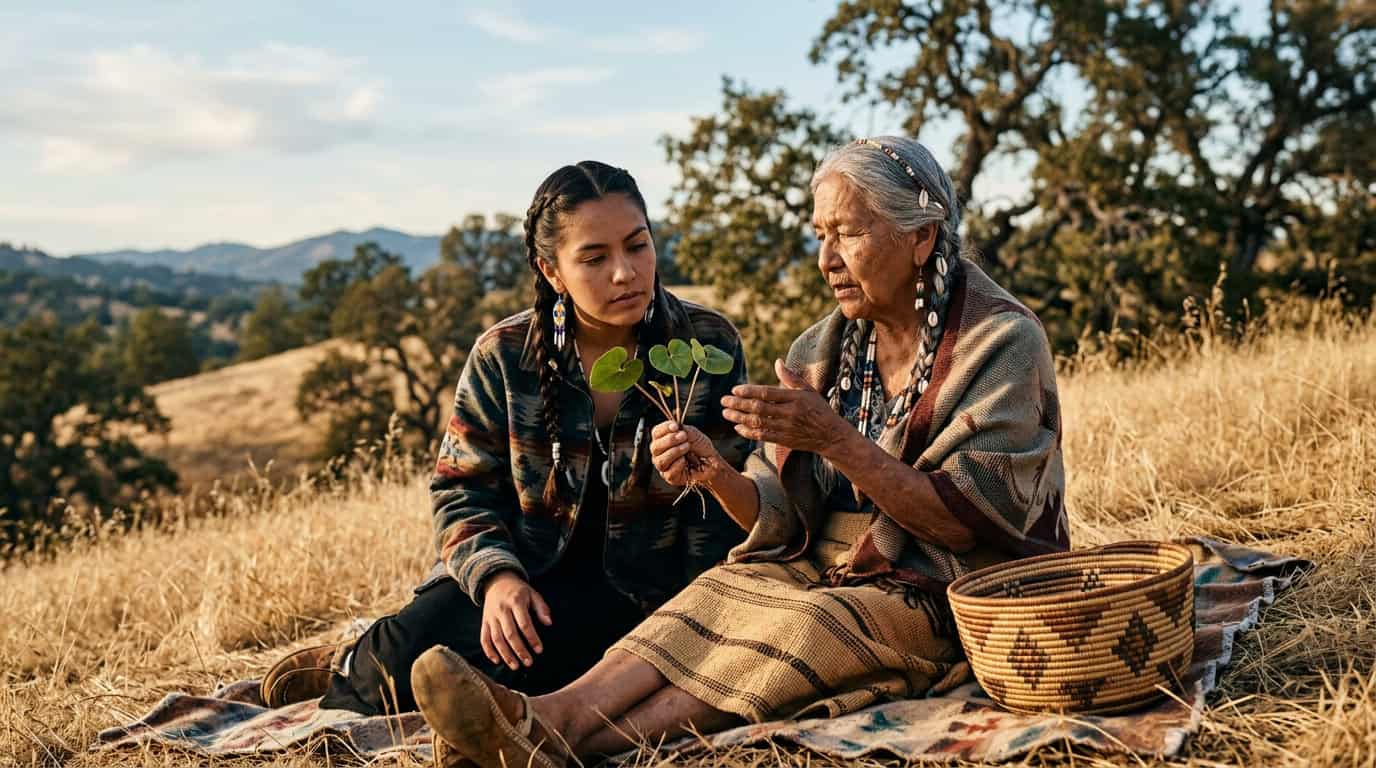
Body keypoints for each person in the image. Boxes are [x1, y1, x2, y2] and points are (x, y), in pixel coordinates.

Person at [409, 136, 1070, 767]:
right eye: (821, 235)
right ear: (551, 271)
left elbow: (966, 521)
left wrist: (837, 441)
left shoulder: (1000, 343)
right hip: (825, 560)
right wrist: (719, 476)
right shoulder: (822, 350)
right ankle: (545, 718)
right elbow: (777, 509)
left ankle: (565, 739)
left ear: (921, 235)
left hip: (951, 585)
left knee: (813, 620)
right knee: (724, 590)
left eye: (849, 233)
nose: (826, 259)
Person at [258, 161, 753, 717]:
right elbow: (459, 491)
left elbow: (724, 510)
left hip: (641, 598)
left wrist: (690, 621)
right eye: (594, 258)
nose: (625, 273)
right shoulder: (505, 354)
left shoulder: (707, 345)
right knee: (398, 673)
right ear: (552, 271)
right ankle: (351, 660)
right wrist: (496, 579)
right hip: (522, 577)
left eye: (637, 246)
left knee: (552, 684)